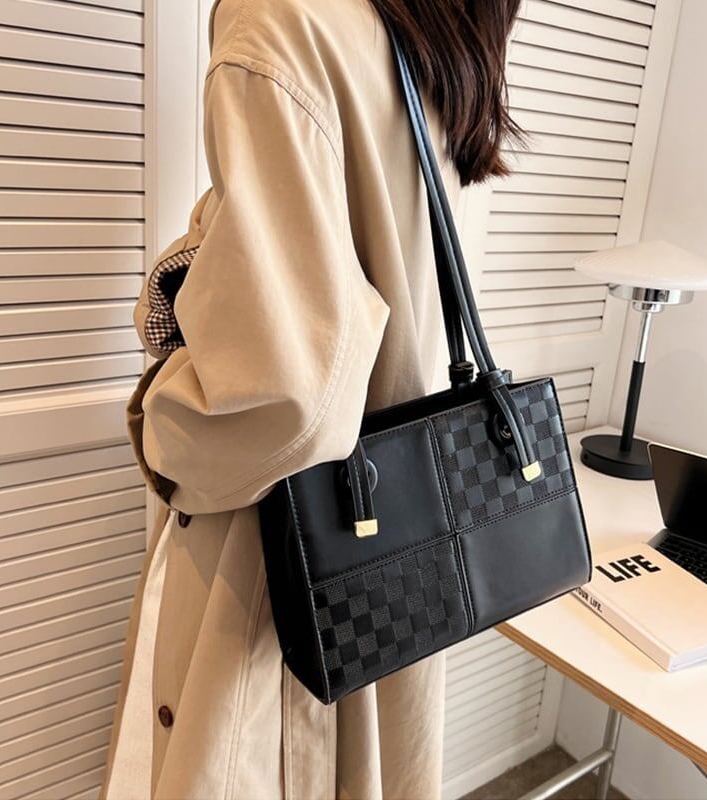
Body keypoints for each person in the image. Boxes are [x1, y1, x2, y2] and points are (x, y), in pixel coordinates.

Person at [99, 0, 522, 797]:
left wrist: (159, 425)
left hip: (285, 549)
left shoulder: (281, 20)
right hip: (401, 535)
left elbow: (285, 400)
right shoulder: (440, 37)